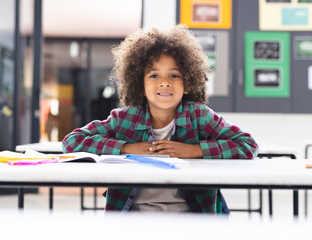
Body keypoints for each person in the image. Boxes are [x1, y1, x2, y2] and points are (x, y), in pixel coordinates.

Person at [62, 25, 258, 214]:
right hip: (132, 218)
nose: (164, 82)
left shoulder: (200, 116)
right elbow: (72, 142)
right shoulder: (124, 118)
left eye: (174, 75)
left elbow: (247, 145)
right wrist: (126, 148)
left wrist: (194, 151)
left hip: (191, 219)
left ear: (187, 83)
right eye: (154, 75)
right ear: (140, 85)